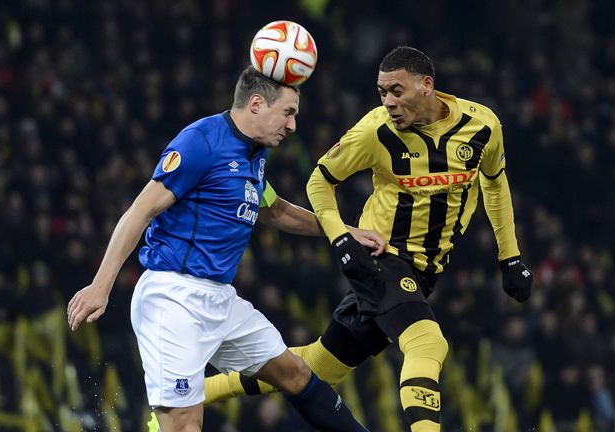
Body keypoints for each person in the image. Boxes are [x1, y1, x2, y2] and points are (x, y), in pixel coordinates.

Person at [188, 46, 534, 432]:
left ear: (427, 86)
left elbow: (495, 184)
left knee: (318, 366)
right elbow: (320, 180)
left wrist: (511, 257)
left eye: (396, 91)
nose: (388, 102)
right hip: (381, 256)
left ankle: (197, 392)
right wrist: (342, 241)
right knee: (427, 343)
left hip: (425, 270)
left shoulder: (483, 126)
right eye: (382, 92)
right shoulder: (375, 130)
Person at [66, 67, 383, 432]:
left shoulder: (255, 154)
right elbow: (141, 210)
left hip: (220, 299)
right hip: (174, 299)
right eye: (289, 113)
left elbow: (276, 211)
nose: (293, 125)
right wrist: (100, 286)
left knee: (294, 373)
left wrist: (343, 232)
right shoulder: (201, 142)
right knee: (185, 425)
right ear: (256, 104)